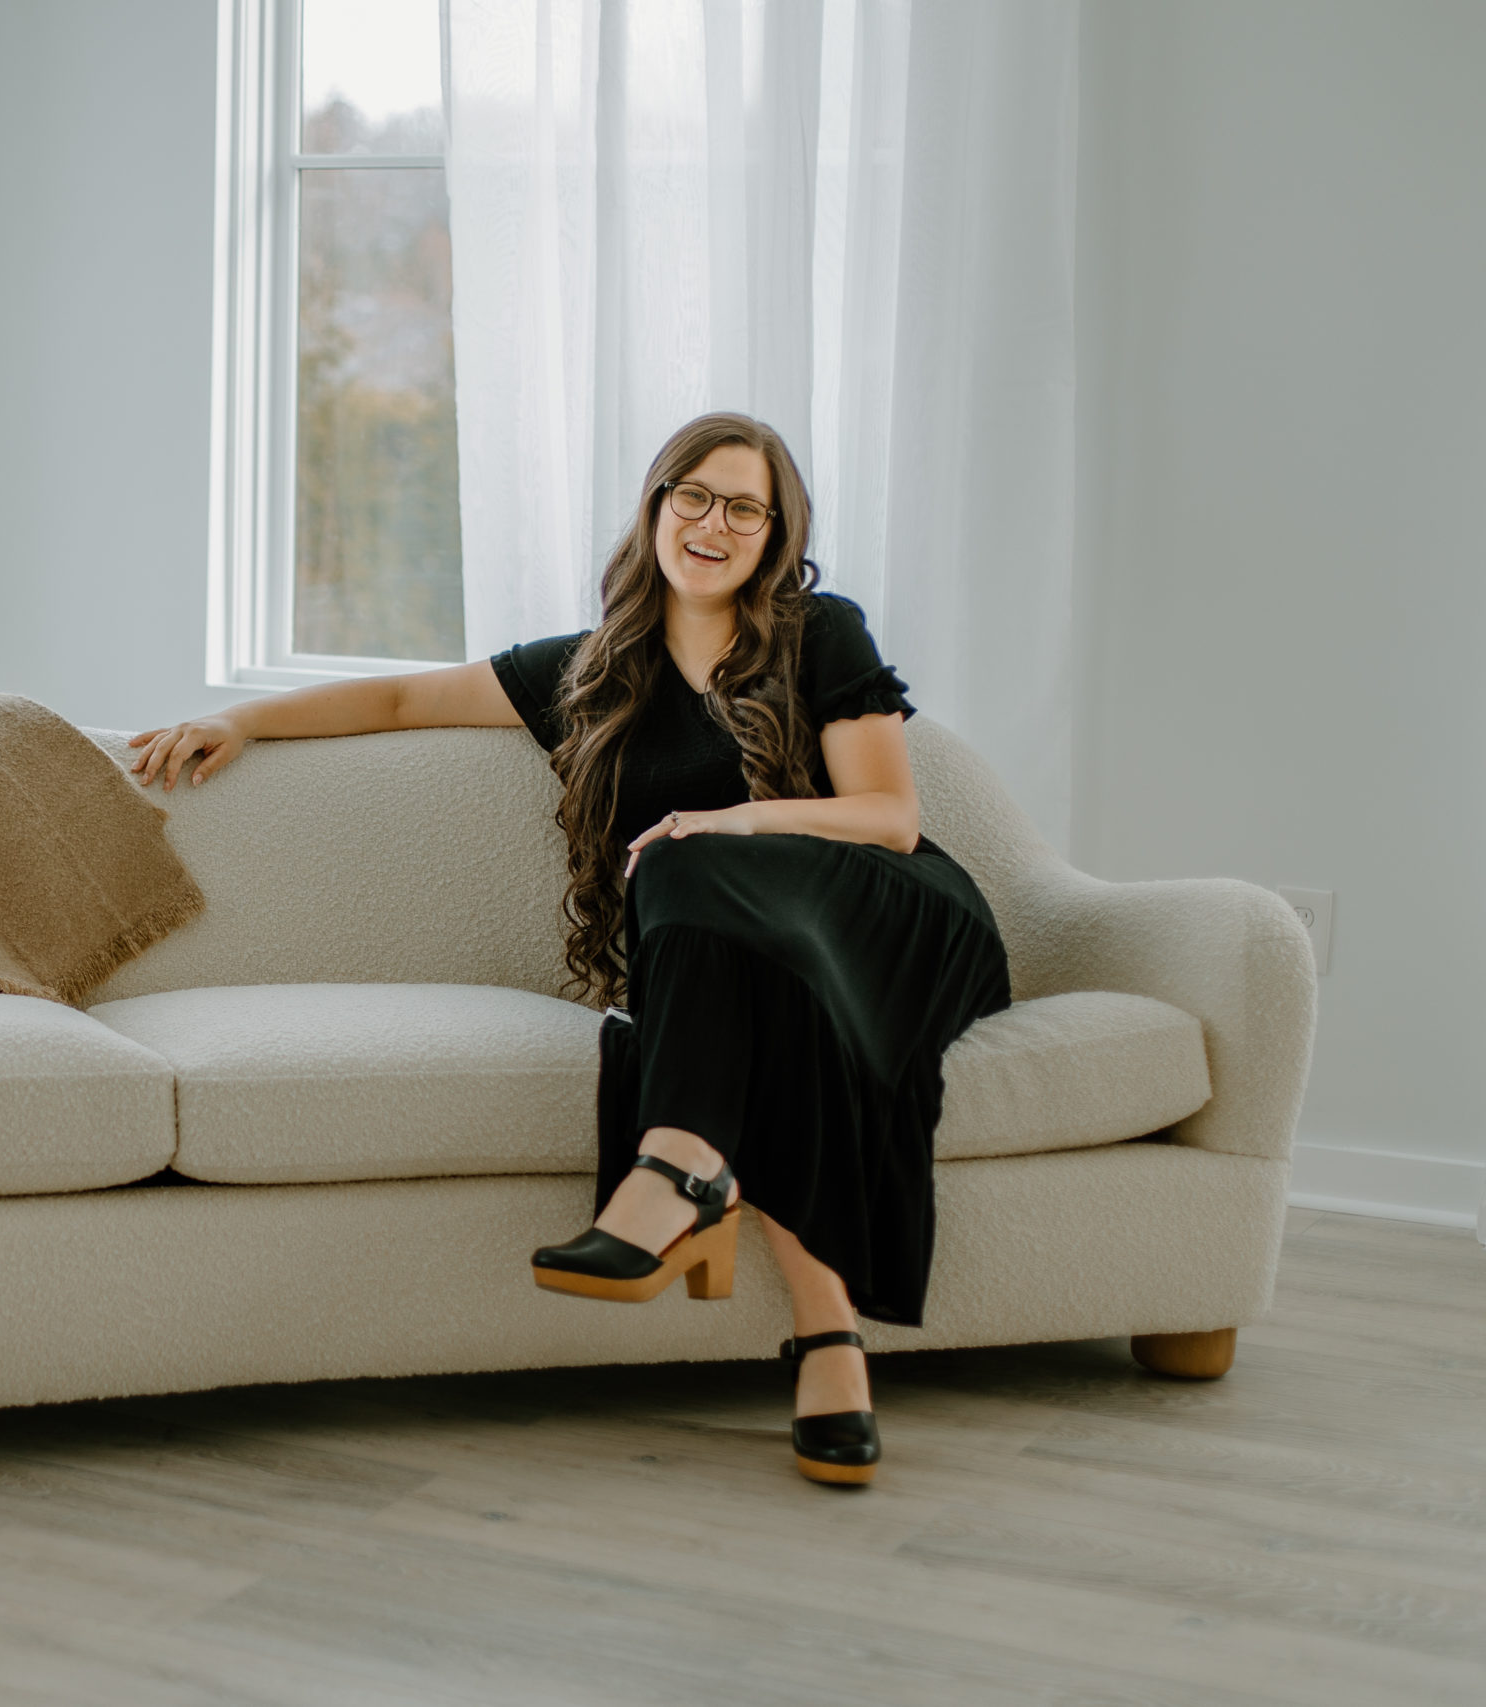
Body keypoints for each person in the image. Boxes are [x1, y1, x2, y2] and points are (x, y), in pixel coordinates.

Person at [127, 411, 1012, 1487]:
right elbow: (407, 696)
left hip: (894, 923)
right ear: (652, 510)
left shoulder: (819, 633)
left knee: (685, 868)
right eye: (693, 496)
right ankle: (824, 1337)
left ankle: (677, 1172)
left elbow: (888, 816)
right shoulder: (586, 675)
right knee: (742, 985)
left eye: (744, 508)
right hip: (758, 964)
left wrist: (720, 821)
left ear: (775, 537)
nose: (713, 523)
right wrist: (251, 723)